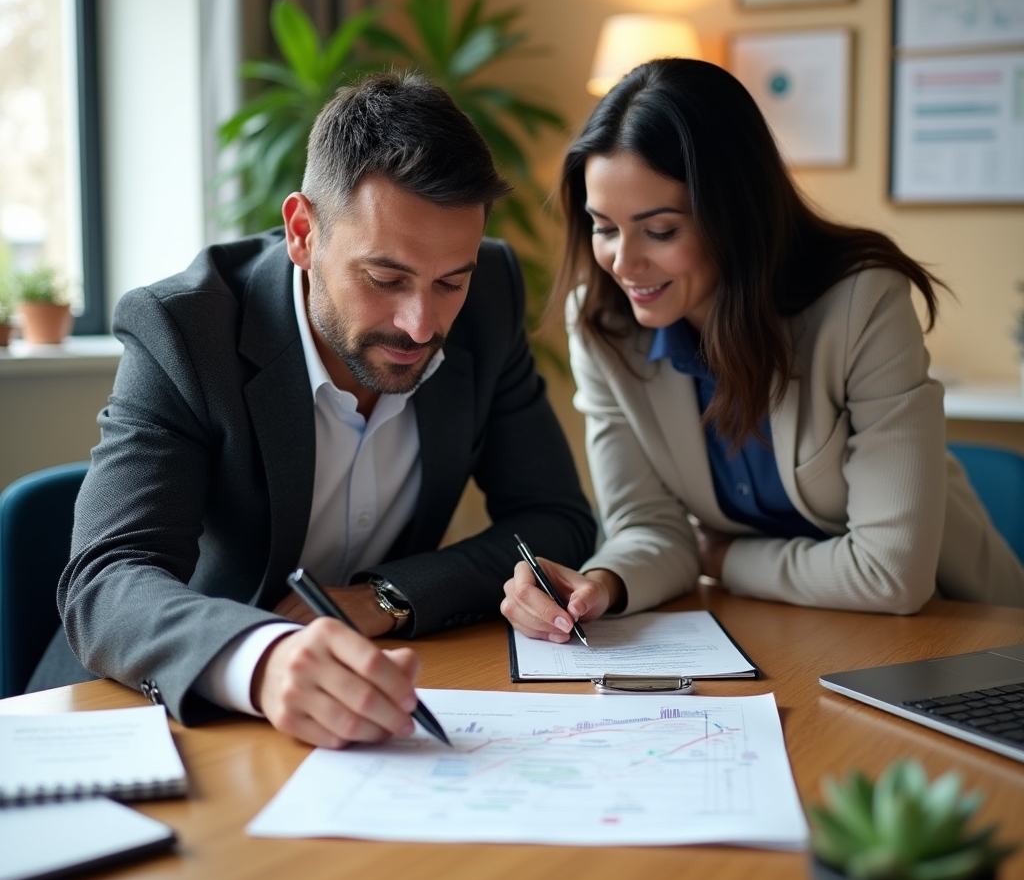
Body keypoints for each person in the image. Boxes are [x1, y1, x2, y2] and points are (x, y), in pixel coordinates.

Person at [39, 73, 596, 747]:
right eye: (385, 279)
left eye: (451, 280)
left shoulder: (493, 298)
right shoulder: (186, 331)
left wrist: (384, 598)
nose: (421, 325)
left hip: (366, 714)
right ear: (303, 232)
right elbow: (106, 583)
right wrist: (263, 657)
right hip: (140, 724)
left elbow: (555, 520)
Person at [501, 58, 1024, 643]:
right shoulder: (602, 326)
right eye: (603, 227)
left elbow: (890, 575)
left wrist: (722, 560)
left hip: (960, 629)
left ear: (733, 214)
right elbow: (649, 526)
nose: (623, 263)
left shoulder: (861, 304)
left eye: (661, 230)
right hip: (785, 630)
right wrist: (601, 583)